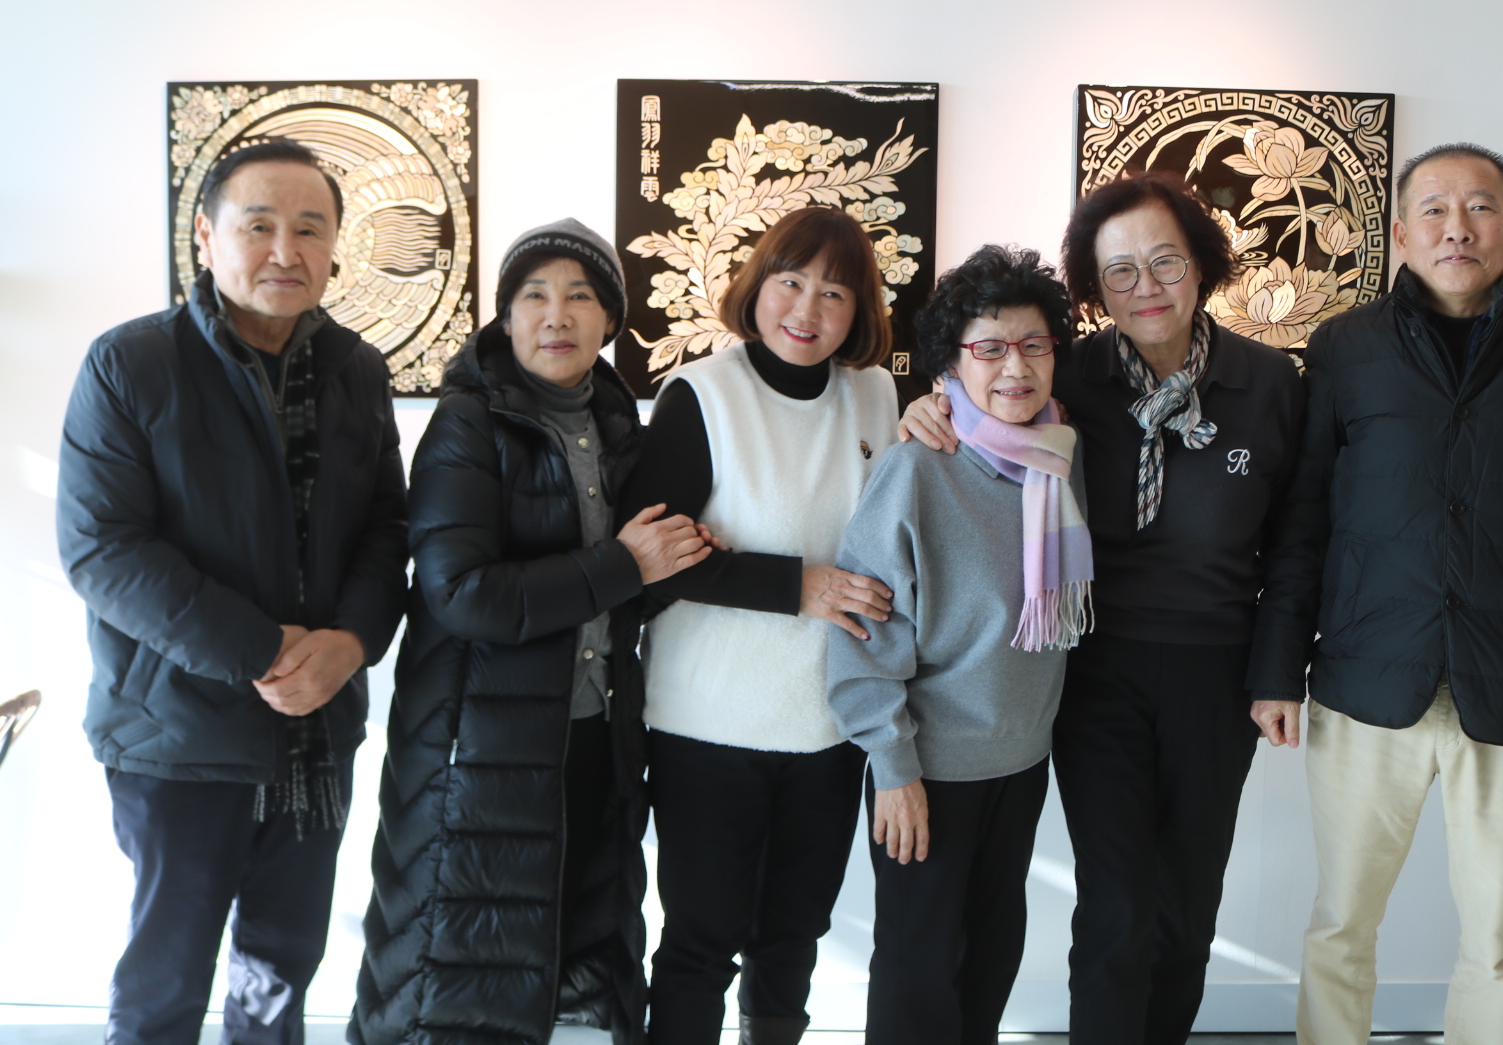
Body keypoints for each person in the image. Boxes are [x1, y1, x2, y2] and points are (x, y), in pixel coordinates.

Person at [1248, 143, 1503, 1045]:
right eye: (1433, 209)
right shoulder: (1345, 347)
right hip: (1364, 680)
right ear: (1401, 233)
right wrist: (1276, 669)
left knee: (1498, 940)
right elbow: (1304, 521)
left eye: (1479, 207)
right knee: (1341, 923)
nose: (1456, 228)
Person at [901, 171, 1306, 1041]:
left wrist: (1280, 675)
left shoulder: (1271, 382)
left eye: (1165, 262)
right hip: (1096, 671)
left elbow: (1297, 544)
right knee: (1118, 906)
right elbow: (986, 412)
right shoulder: (1067, 377)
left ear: (1202, 265)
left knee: (1187, 909)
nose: (1144, 287)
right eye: (1119, 271)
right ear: (1093, 288)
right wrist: (929, 406)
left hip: (1219, 675)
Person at [57, 138, 408, 1045]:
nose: (286, 250)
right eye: (259, 226)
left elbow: (387, 530)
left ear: (334, 246)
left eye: (310, 228)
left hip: (316, 731)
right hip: (177, 733)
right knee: (166, 980)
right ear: (207, 238)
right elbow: (103, 548)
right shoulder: (132, 363)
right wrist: (266, 652)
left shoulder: (358, 371)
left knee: (280, 974)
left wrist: (350, 645)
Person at [350, 220, 713, 1045]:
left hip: (594, 734)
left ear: (609, 320)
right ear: (506, 316)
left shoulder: (621, 429)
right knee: (458, 977)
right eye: (535, 296)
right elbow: (459, 593)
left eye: (580, 296)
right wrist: (626, 563)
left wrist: (682, 555)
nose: (558, 315)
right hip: (478, 744)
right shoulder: (467, 423)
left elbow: (630, 589)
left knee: (568, 965)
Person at [617, 205, 901, 1045]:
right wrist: (796, 585)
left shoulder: (877, 396)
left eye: (835, 293)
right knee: (702, 940)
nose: (807, 310)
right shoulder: (702, 396)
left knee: (793, 935)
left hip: (829, 719)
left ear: (859, 311)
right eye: (791, 281)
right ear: (757, 285)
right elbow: (651, 559)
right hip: (708, 723)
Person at [828, 244, 1090, 1045]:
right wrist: (893, 769)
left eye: (1034, 344)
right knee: (918, 970)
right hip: (929, 769)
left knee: (992, 956)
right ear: (951, 363)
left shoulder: (1059, 460)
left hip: (1021, 760)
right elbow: (865, 632)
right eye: (990, 348)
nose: (1016, 367)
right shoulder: (917, 469)